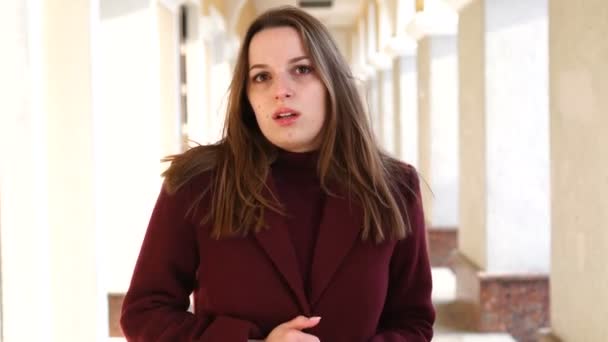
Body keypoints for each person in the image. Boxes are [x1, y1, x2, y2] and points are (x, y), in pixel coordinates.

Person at [120, 5, 435, 342]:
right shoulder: (198, 183)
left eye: (301, 69)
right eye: (262, 76)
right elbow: (145, 312)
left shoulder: (395, 187)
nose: (280, 90)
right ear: (247, 96)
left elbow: (413, 322)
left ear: (333, 82)